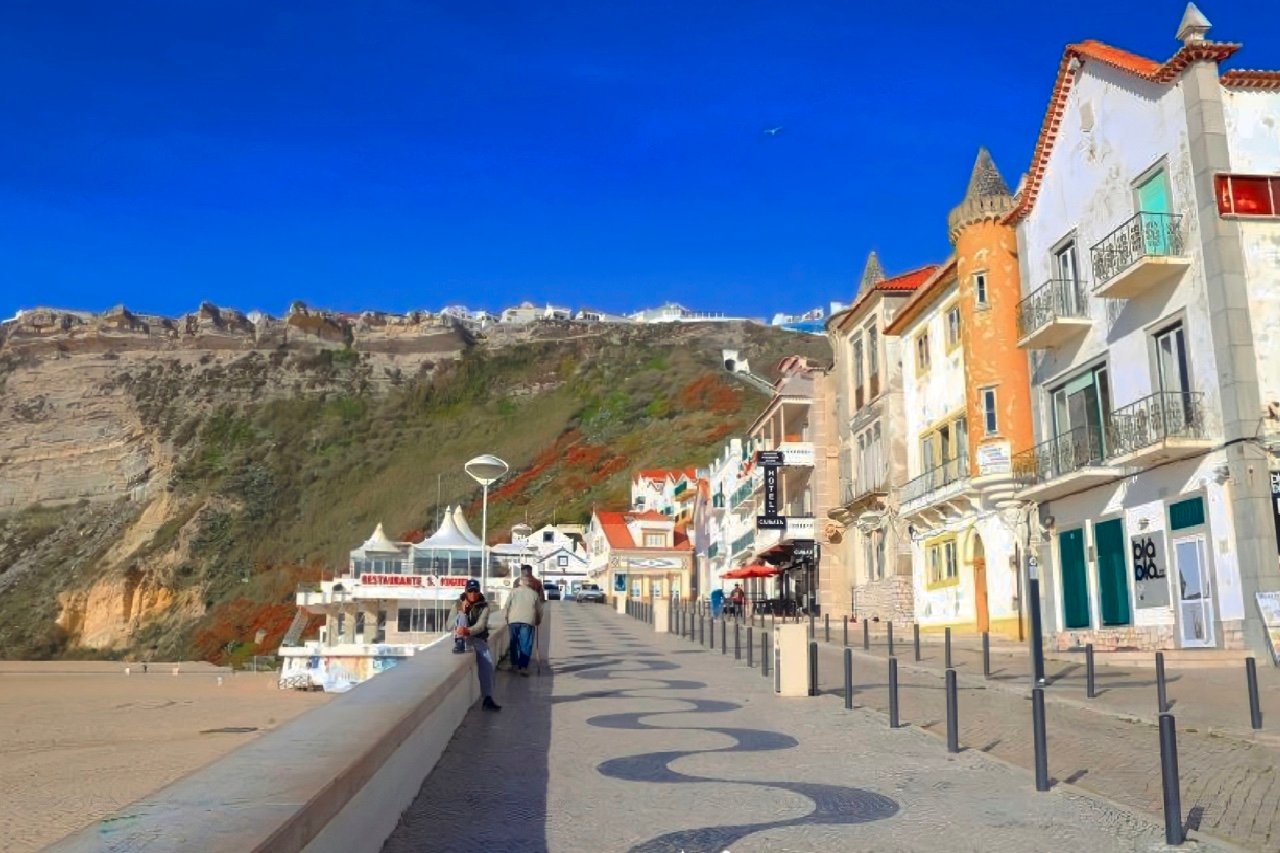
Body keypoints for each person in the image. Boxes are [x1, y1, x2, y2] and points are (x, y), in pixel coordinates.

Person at [456, 579, 500, 711]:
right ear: (466, 591)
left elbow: (481, 626)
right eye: (470, 591)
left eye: (476, 591)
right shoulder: (458, 604)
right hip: (462, 638)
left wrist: (468, 631)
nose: (473, 594)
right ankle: (459, 644)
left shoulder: (484, 606)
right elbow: (449, 624)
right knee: (462, 617)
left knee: (487, 665)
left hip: (477, 638)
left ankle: (488, 698)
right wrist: (463, 612)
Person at [504, 574, 543, 676]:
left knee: (514, 643)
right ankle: (523, 667)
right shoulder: (534, 594)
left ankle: (514, 665)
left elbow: (506, 606)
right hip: (528, 621)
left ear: (520, 583)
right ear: (529, 584)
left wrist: (506, 617)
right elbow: (540, 610)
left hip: (513, 620)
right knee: (526, 644)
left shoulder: (513, 592)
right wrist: (538, 620)